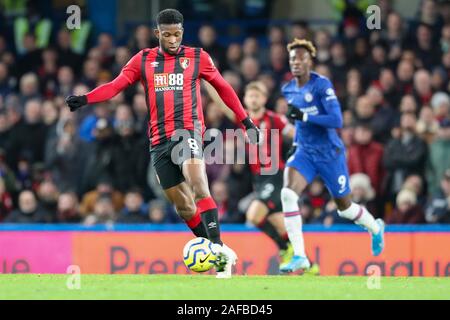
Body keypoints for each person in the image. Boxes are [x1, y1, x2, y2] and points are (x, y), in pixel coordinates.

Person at [65, 9, 260, 278]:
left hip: (187, 132)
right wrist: (86, 98)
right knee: (183, 206)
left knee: (198, 183)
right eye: (166, 35)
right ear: (157, 33)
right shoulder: (143, 59)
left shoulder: (197, 57)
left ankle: (217, 252)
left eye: (177, 34)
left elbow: (224, 88)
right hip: (158, 141)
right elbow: (115, 86)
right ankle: (220, 250)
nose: (172, 40)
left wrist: (246, 121)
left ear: (183, 32)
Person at [279, 39, 385, 273]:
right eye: (292, 59)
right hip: (305, 151)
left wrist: (305, 117)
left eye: (301, 58)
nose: (296, 62)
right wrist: (296, 142)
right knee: (287, 193)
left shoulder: (321, 85)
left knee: (344, 208)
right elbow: (298, 122)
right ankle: (300, 256)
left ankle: (375, 227)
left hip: (330, 154)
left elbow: (336, 120)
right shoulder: (288, 89)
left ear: (310, 61)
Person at [206, 80, 296, 266]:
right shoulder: (243, 119)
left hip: (274, 174)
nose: (254, 99)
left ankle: (284, 249)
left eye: (258, 95)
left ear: (264, 99)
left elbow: (295, 134)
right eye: (251, 96)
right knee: (279, 225)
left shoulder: (275, 119)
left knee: (253, 215)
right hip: (258, 179)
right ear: (245, 99)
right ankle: (309, 265)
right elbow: (223, 105)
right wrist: (207, 81)